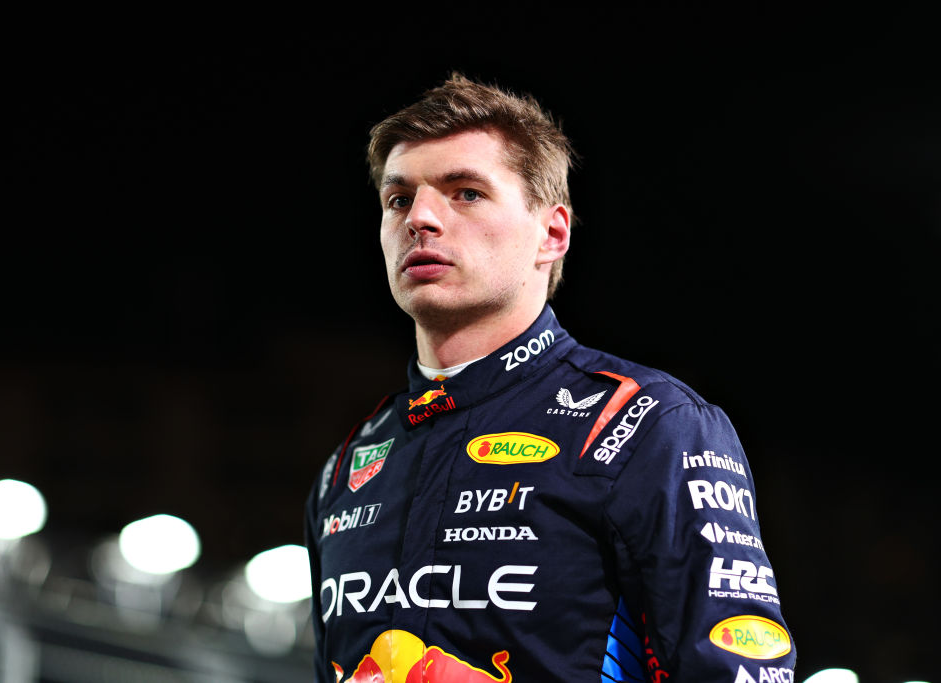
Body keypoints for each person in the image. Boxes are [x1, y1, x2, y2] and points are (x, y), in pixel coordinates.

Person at [305, 74, 795, 683]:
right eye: (399, 199)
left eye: (466, 193)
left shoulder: (648, 423)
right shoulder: (347, 464)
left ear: (552, 234)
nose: (421, 218)